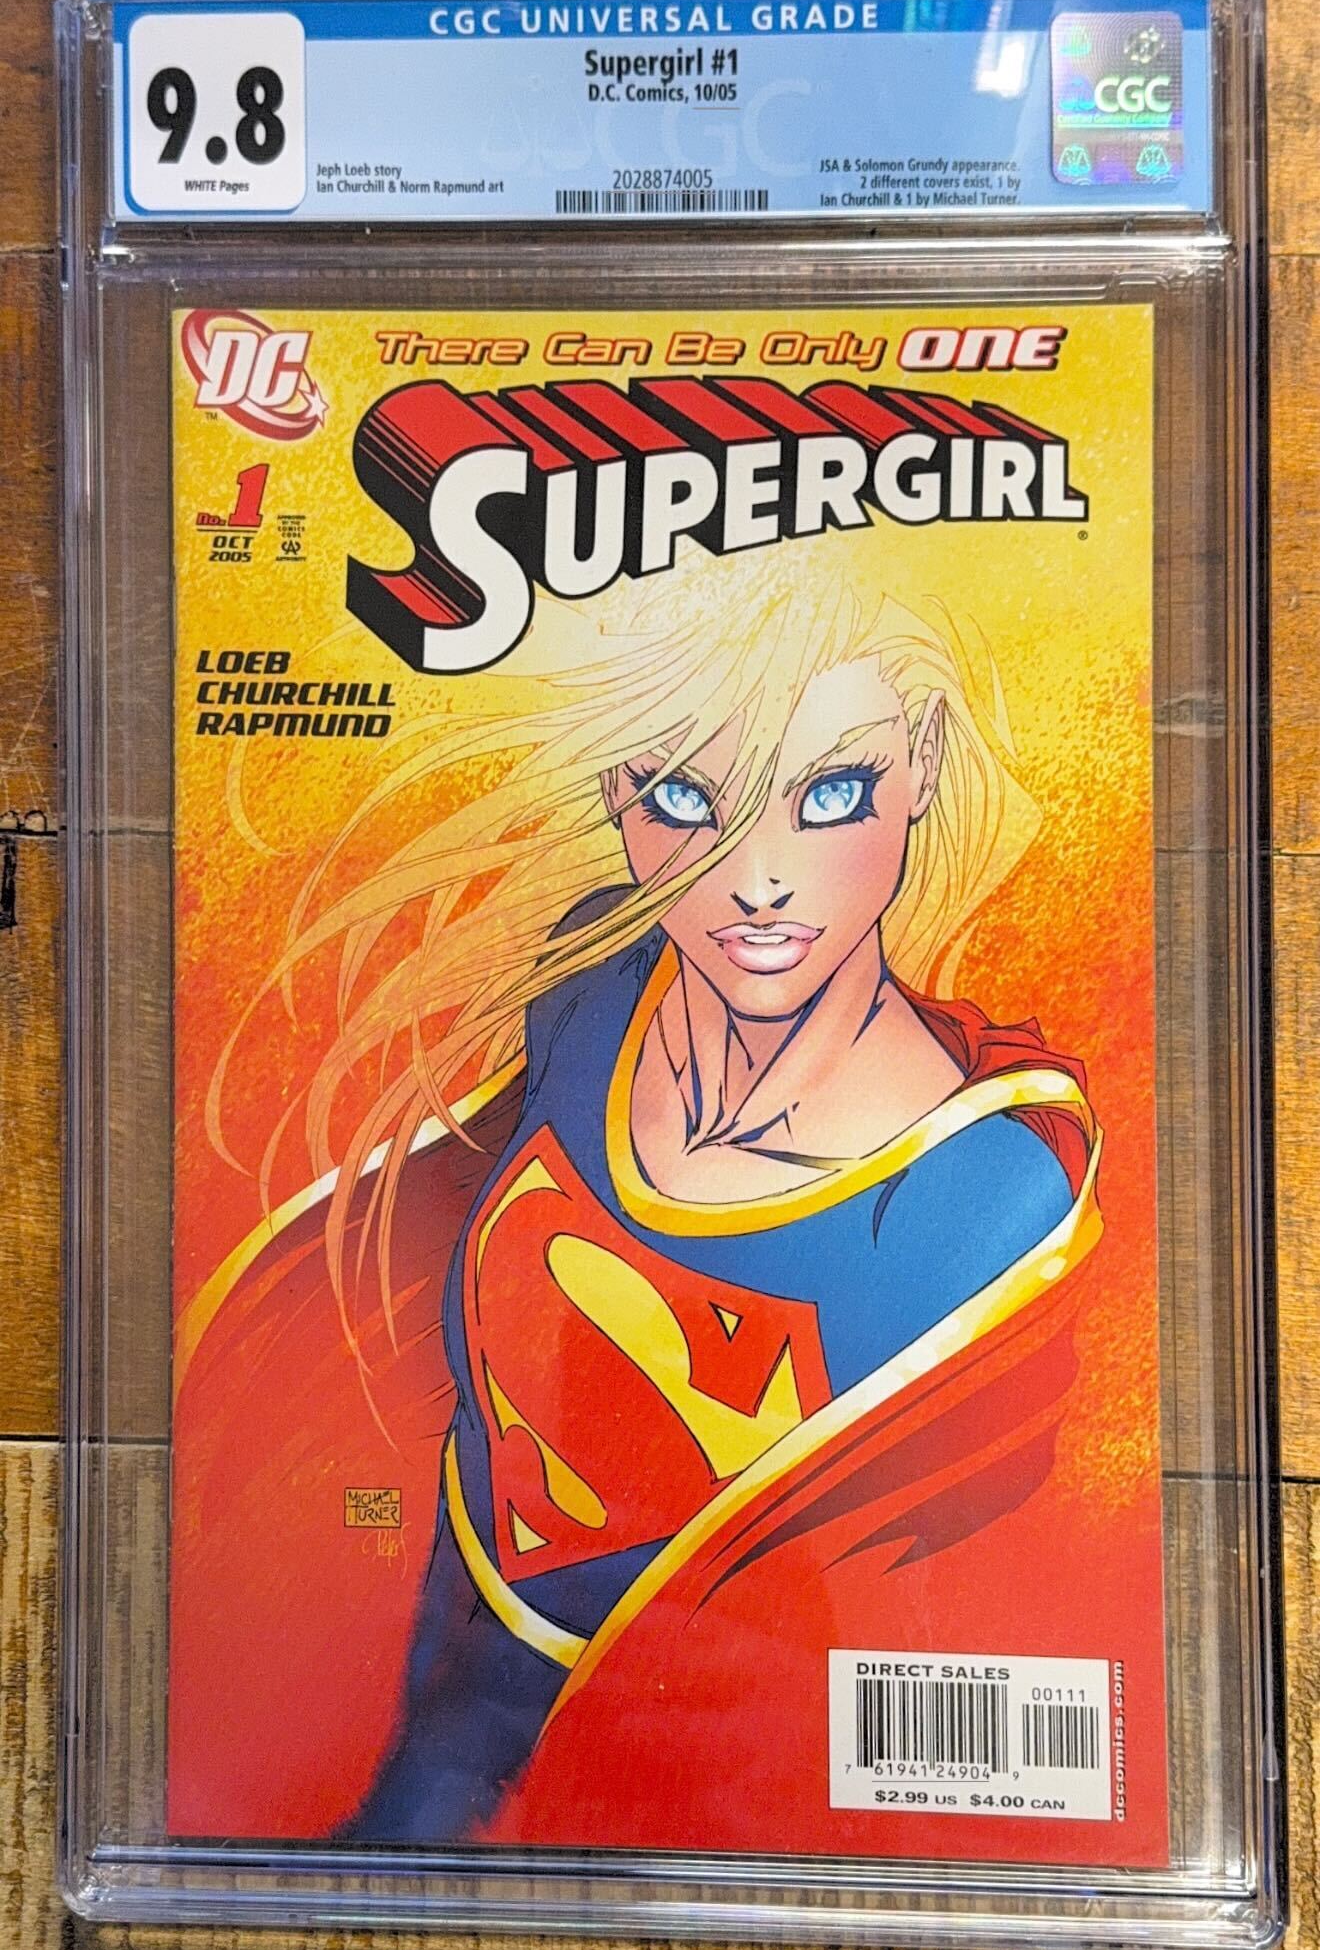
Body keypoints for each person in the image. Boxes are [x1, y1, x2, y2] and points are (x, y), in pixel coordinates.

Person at [185, 552, 1102, 1846]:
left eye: (831, 792)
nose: (758, 879)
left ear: (925, 768)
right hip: (445, 1655)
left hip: (721, 1770)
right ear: (620, 788)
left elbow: (964, 1571)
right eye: (684, 797)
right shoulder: (600, 973)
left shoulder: (980, 1192)